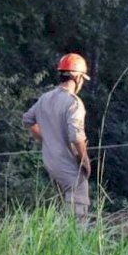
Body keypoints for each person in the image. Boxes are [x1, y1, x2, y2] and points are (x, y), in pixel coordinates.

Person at [23, 53, 92, 219]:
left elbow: (27, 120)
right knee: (77, 216)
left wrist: (45, 139)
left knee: (63, 210)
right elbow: (76, 137)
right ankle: (73, 243)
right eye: (82, 77)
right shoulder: (73, 103)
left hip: (51, 164)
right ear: (77, 77)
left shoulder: (45, 98)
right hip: (69, 168)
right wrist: (85, 161)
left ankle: (59, 241)